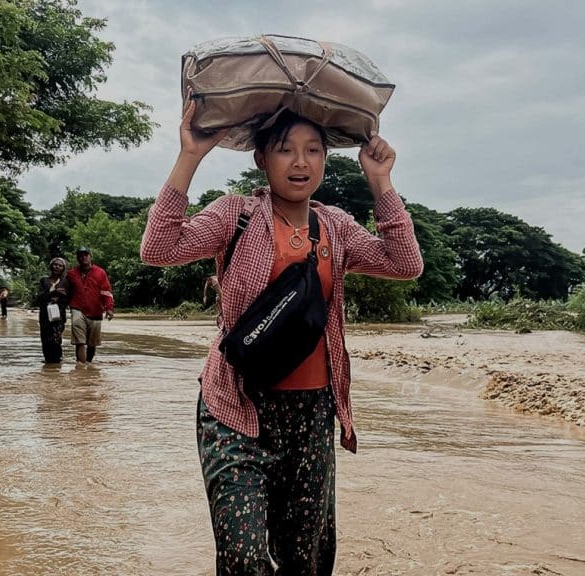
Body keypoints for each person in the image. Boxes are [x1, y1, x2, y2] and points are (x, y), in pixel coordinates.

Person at [140, 101, 423, 575]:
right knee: (245, 559)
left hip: (311, 415)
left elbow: (404, 263)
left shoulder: (335, 225)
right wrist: (189, 157)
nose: (300, 162)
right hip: (235, 407)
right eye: (285, 149)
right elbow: (158, 248)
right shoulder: (236, 216)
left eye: (314, 150)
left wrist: (381, 182)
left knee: (305, 562)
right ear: (261, 159)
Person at [66, 247, 114, 364]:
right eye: (80, 255)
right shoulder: (71, 274)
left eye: (85, 255)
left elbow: (106, 291)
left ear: (90, 256)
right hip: (77, 308)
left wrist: (109, 308)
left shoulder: (100, 272)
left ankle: (88, 363)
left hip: (96, 310)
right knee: (80, 341)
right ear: (78, 258)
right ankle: (81, 368)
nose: (83, 257)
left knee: (92, 343)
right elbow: (65, 290)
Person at [37, 257, 70, 363]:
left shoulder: (66, 282)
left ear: (63, 268)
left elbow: (68, 298)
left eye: (60, 266)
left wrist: (60, 298)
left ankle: (57, 360)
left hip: (59, 315)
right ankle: (48, 361)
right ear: (51, 266)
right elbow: (39, 298)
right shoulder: (44, 281)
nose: (57, 267)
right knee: (45, 338)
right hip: (45, 315)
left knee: (56, 338)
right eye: (55, 264)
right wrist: (53, 292)